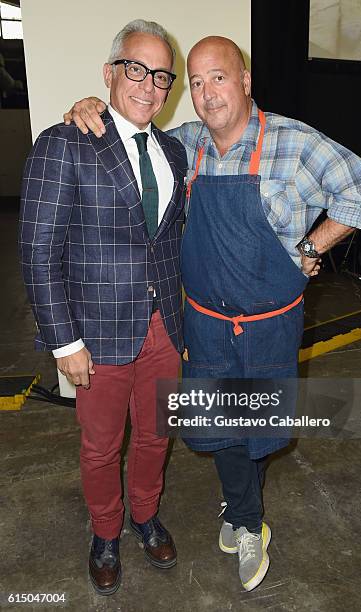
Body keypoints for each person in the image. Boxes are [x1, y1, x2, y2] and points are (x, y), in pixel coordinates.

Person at [63, 35, 361, 592]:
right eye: (195, 81)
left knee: (254, 426)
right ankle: (244, 516)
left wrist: (313, 248)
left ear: (245, 80)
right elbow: (129, 137)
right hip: (206, 323)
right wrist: (91, 106)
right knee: (223, 424)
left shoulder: (293, 142)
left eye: (219, 77)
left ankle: (243, 511)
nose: (207, 92)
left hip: (270, 322)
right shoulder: (183, 145)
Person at [19, 20, 187, 596]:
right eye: (136, 69)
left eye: (161, 76)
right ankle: (106, 531)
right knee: (100, 444)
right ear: (111, 72)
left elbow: (166, 241)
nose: (149, 85)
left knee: (156, 433)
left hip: (164, 323)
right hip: (94, 333)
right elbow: (38, 250)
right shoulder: (65, 141)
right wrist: (64, 341)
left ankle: (144, 515)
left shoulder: (173, 150)